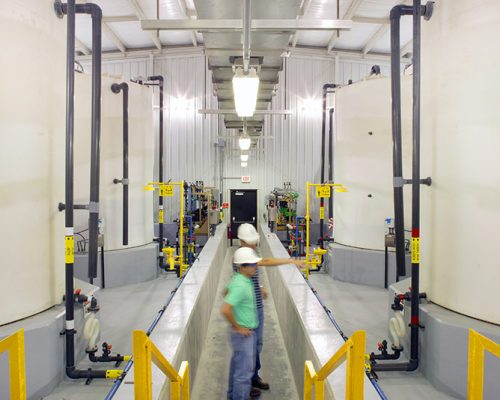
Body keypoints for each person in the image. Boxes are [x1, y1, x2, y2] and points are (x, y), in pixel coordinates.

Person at [236, 223, 304, 392]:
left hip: (257, 308)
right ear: (242, 241)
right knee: (247, 349)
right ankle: (246, 383)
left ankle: (254, 376)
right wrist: (290, 260)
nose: (253, 245)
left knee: (257, 345)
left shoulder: (249, 253)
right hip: (246, 311)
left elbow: (250, 276)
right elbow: (265, 261)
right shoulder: (241, 256)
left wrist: (259, 288)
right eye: (250, 242)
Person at [222, 247, 262, 400]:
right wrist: (238, 327)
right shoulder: (241, 284)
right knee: (243, 375)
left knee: (237, 369)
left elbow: (225, 292)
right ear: (243, 266)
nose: (256, 267)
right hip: (243, 334)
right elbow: (225, 309)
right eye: (252, 264)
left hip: (243, 333)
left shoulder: (240, 279)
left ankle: (232, 396)